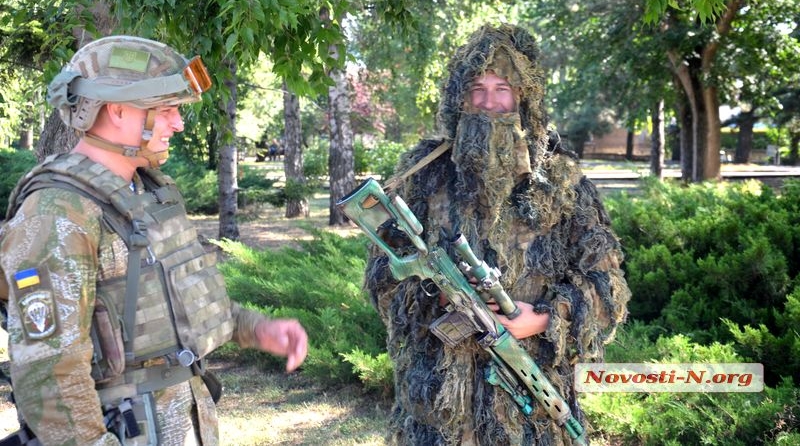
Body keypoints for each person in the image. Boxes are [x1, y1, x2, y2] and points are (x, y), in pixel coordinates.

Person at [0, 35, 308, 445]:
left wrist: (255, 328)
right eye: (166, 110)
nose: (178, 124)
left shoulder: (146, 191)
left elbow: (174, 298)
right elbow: (48, 372)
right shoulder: (57, 213)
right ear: (117, 111)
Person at [364, 24, 631, 445]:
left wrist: (542, 319)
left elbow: (608, 287)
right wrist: (438, 292)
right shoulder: (424, 174)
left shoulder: (561, 182)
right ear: (460, 96)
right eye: (477, 88)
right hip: (437, 407)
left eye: (502, 88)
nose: (489, 102)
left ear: (523, 96)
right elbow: (382, 274)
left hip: (528, 406)